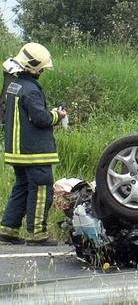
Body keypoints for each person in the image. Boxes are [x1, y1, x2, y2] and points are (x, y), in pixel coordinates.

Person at [0, 43, 67, 246]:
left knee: (21, 188)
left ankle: (8, 230)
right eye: (42, 69)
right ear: (35, 68)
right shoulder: (30, 90)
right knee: (40, 190)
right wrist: (58, 114)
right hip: (34, 152)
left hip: (17, 152)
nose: (42, 72)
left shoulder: (14, 85)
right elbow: (41, 119)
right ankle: (38, 234)